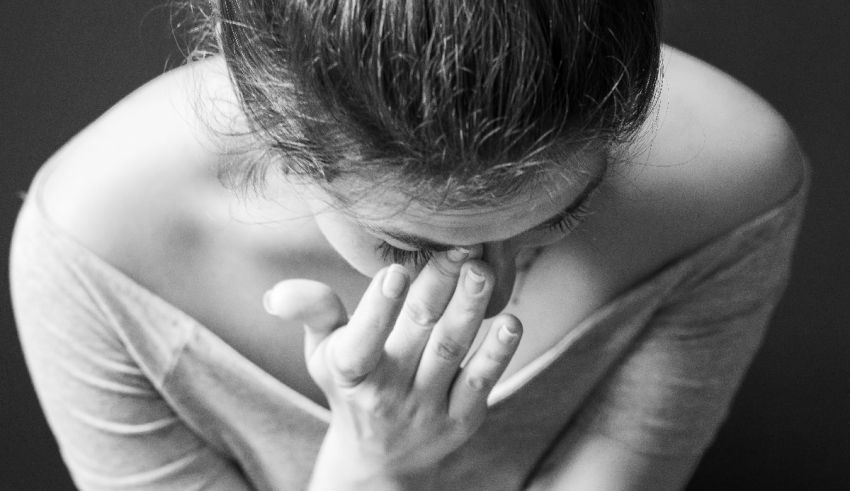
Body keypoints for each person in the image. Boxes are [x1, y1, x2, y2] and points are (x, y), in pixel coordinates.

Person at [9, 1, 808, 489]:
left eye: (560, 218)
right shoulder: (95, 249)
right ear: (277, 133)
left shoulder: (733, 186)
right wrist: (372, 467)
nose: (488, 296)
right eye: (405, 241)